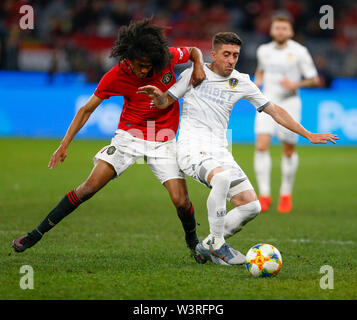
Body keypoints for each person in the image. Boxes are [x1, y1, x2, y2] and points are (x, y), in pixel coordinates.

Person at [12, 19, 207, 262]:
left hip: (162, 139)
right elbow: (86, 109)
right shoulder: (115, 76)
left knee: (181, 201)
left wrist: (198, 65)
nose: (145, 71)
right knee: (89, 187)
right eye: (140, 66)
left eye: (148, 66)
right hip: (128, 136)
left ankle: (193, 241)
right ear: (128, 58)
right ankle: (34, 235)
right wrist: (64, 144)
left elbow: (193, 51)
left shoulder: (164, 58)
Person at [138, 32, 338, 265]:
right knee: (220, 178)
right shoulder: (193, 74)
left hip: (220, 150)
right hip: (191, 148)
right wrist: (157, 97)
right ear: (212, 54)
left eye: (235, 55)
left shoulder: (242, 81)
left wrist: (308, 134)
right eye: (226, 54)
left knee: (251, 206)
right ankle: (218, 243)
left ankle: (205, 247)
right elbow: (165, 102)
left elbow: (274, 110)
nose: (231, 60)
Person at [254, 15, 321, 213]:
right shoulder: (263, 51)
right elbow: (260, 71)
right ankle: (264, 195)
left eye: (284, 28)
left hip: (290, 102)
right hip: (267, 102)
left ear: (290, 32)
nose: (280, 31)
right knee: (261, 145)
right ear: (272, 30)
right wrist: (257, 82)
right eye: (277, 28)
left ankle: (285, 193)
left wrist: (295, 84)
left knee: (288, 150)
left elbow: (314, 79)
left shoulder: (300, 52)